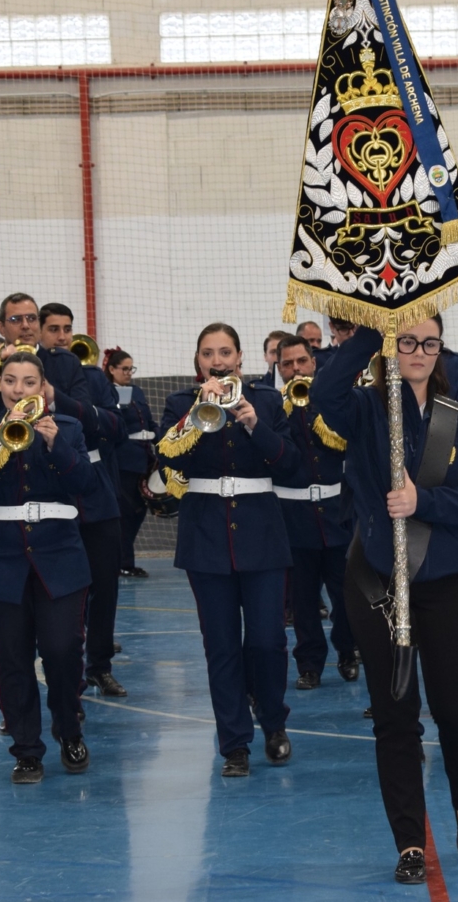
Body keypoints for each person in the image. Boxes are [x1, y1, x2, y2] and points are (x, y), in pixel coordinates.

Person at [310, 315, 458, 883]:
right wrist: (377, 329)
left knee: (454, 706)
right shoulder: (365, 410)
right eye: (407, 340)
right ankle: (409, 841)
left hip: (446, 580)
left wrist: (426, 504)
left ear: (441, 349)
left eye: (428, 342)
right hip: (376, 581)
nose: (418, 351)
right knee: (394, 715)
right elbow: (323, 394)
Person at [156, 323, 299, 776]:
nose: (217, 361)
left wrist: (255, 424)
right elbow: (167, 459)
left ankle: (273, 723)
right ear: (197, 361)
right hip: (205, 537)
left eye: (224, 353)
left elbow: (291, 463)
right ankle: (234, 743)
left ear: (240, 358)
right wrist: (196, 415)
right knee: (220, 645)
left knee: (268, 640)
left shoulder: (268, 401)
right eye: (208, 354)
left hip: (262, 535)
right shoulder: (180, 404)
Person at [0, 350, 99, 783]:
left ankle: (69, 729)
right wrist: (1, 440)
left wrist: (56, 445)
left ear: (43, 387)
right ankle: (26, 749)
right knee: (11, 657)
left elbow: (85, 484)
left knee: (62, 650)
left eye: (29, 382)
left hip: (60, 556)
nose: (18, 389)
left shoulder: (68, 427)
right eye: (10, 381)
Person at [38, 302, 127, 697]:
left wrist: (59, 399)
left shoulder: (91, 375)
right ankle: (63, 670)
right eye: (54, 329)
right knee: (57, 591)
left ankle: (100, 666)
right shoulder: (18, 373)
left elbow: (115, 425)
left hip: (95, 492)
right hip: (50, 491)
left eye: (67, 329)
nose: (62, 337)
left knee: (105, 585)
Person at [271, 334, 357, 689]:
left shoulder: (334, 400)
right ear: (278, 368)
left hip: (337, 514)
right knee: (303, 601)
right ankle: (309, 665)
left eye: (301, 361)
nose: (296, 369)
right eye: (287, 364)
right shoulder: (271, 407)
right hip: (293, 518)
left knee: (346, 594)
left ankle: (349, 652)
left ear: (313, 362)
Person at [106, 348, 154, 578]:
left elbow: (149, 421)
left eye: (130, 369)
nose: (128, 373)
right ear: (111, 369)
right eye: (124, 369)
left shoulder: (137, 391)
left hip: (144, 459)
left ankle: (125, 559)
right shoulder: (106, 393)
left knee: (139, 511)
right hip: (123, 461)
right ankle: (123, 562)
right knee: (126, 513)